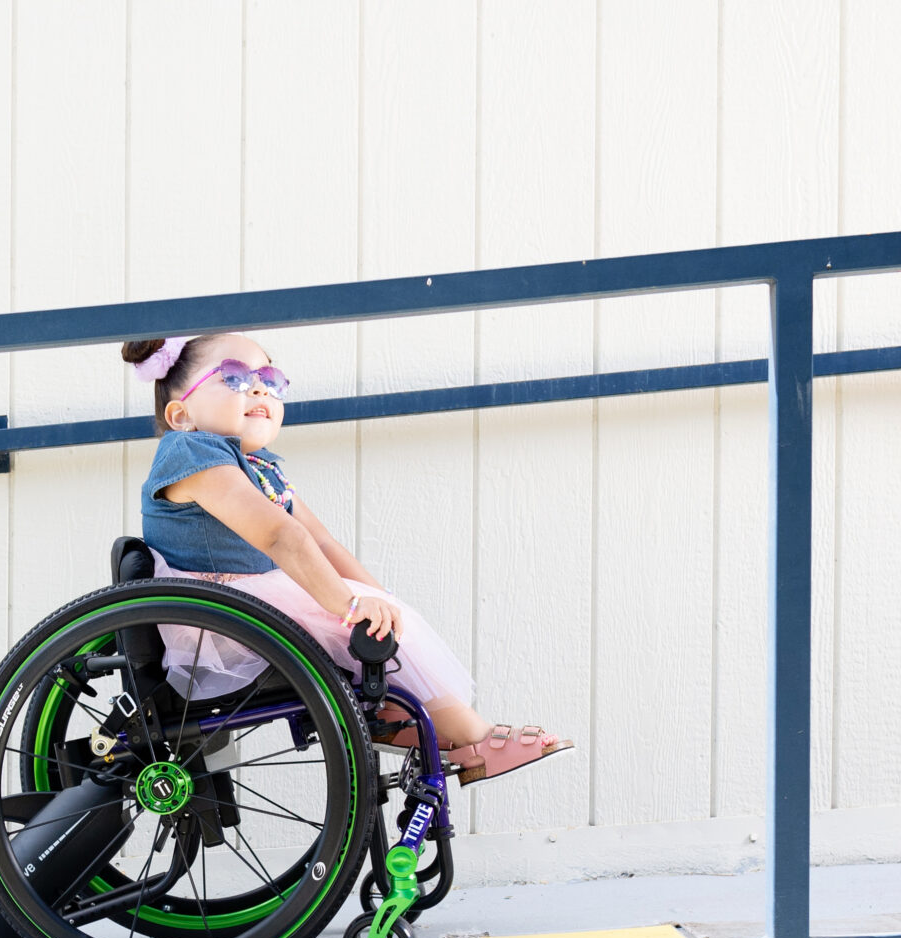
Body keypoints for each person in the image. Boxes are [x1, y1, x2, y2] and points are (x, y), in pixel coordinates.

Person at [125, 330, 571, 783]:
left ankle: (415, 726)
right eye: (235, 378)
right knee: (344, 615)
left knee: (380, 623)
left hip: (251, 609)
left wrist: (377, 599)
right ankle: (473, 738)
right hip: (218, 620)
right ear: (181, 414)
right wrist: (347, 603)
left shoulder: (261, 467)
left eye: (269, 379)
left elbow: (319, 542)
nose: (258, 388)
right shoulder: (190, 452)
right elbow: (281, 536)